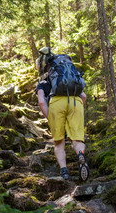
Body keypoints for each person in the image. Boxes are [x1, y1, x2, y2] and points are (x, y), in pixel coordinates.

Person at [35, 47, 89, 181]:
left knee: (59, 143)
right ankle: (80, 154)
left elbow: (42, 102)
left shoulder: (43, 83)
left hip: (56, 103)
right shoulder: (68, 76)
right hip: (75, 101)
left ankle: (64, 171)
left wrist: (50, 119)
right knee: (77, 139)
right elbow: (84, 96)